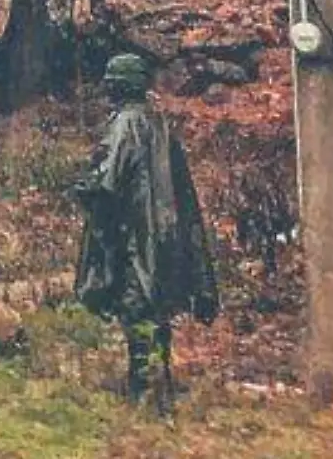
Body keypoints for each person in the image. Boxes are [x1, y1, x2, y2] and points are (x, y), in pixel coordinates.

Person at [73, 53, 218, 412]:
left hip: (135, 240)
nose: (106, 86)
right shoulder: (159, 124)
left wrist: (83, 187)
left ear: (120, 85)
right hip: (166, 239)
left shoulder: (126, 125)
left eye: (111, 80)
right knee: (156, 313)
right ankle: (157, 384)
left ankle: (147, 393)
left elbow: (108, 184)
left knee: (138, 311)